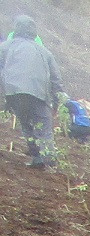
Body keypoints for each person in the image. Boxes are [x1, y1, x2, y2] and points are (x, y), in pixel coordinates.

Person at [1, 14, 60, 169]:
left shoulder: (6, 46)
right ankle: (49, 160)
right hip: (39, 93)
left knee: (26, 123)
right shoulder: (45, 51)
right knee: (44, 125)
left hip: (14, 92)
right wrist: (57, 99)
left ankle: (36, 157)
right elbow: (55, 79)